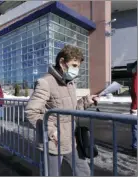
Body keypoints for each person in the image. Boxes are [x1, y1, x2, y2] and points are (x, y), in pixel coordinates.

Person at [25, 45, 99, 176]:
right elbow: (31, 111)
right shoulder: (45, 82)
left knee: (84, 171)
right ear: (62, 62)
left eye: (78, 66)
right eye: (74, 65)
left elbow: (72, 109)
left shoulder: (70, 82)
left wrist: (87, 101)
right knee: (52, 174)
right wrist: (51, 131)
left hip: (71, 139)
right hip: (53, 142)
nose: (77, 70)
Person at [130, 61, 137, 156]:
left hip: (136, 107)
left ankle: (136, 147)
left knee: (135, 127)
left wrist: (134, 107)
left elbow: (136, 92)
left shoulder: (136, 76)